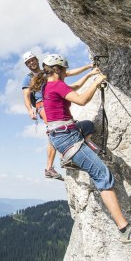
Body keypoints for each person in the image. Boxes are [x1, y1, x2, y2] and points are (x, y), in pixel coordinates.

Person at [32, 53, 131, 243]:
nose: (66, 73)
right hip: (68, 139)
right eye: (65, 71)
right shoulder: (56, 85)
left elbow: (74, 87)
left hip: (62, 135)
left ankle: (68, 158)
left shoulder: (49, 86)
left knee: (89, 125)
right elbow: (81, 100)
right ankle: (125, 229)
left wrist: (92, 75)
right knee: (103, 175)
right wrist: (97, 81)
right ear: (58, 69)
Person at [21, 52, 94, 180]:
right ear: (26, 65)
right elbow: (26, 96)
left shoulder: (48, 72)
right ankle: (53, 164)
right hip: (42, 104)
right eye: (28, 62)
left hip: (54, 99)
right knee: (54, 129)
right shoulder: (28, 78)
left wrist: (88, 67)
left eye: (32, 60)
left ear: (37, 60)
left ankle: (58, 161)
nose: (31, 63)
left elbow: (71, 73)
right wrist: (29, 110)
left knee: (57, 129)